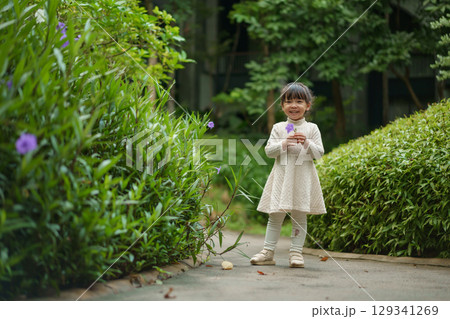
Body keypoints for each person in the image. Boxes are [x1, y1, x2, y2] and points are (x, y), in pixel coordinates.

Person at [251, 82, 327, 268]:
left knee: (299, 215)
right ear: (282, 105)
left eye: (299, 101)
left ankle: (296, 253)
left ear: (308, 105)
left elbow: (319, 154)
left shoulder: (312, 128)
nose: (294, 105)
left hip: (303, 178)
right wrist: (284, 143)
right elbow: (269, 151)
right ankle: (268, 252)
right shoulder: (278, 127)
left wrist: (307, 143)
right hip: (281, 177)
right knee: (275, 214)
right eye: (289, 101)